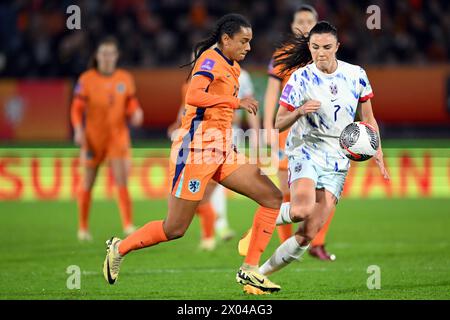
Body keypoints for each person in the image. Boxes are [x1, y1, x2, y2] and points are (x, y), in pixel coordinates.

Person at [103, 13, 283, 294]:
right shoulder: (210, 60)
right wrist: (235, 102)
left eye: (250, 42)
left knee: (272, 197)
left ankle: (250, 270)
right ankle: (120, 247)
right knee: (175, 228)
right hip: (196, 151)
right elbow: (194, 97)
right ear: (226, 39)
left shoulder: (233, 65)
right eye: (243, 41)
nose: (248, 47)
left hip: (222, 150)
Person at [246, 21, 390, 292]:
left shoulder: (356, 74)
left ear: (337, 46)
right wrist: (299, 111)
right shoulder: (300, 78)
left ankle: (257, 276)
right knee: (301, 209)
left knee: (307, 235)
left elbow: (368, 119)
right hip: (305, 149)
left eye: (326, 47)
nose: (320, 53)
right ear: (309, 48)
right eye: (314, 47)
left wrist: (378, 149)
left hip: (338, 158)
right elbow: (278, 122)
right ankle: (263, 219)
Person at [261, 4, 337, 260]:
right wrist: (269, 128)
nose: (304, 25)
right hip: (289, 130)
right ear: (293, 25)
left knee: (325, 189)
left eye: (309, 21)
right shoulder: (282, 55)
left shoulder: (324, 55)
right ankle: (285, 244)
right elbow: (272, 93)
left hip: (321, 133)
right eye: (300, 21)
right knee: (286, 187)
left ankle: (317, 243)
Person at [71, 36, 143, 241]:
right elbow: (76, 109)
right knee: (88, 181)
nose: (107, 58)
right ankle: (83, 228)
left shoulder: (125, 78)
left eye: (111, 54)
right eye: (103, 54)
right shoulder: (86, 79)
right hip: (93, 138)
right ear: (97, 56)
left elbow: (131, 103)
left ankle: (128, 225)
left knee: (122, 180)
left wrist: (136, 112)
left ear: (116, 56)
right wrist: (78, 129)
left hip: (118, 136)